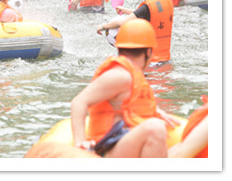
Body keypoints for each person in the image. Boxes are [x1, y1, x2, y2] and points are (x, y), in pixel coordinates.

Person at [70, 18, 179, 157]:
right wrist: (80, 143)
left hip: (123, 142)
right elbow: (78, 102)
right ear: (148, 52)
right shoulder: (120, 75)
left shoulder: (131, 74)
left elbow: (128, 104)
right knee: (155, 128)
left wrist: (154, 111)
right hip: (106, 148)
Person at [98, 0, 174, 63]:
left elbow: (122, 23)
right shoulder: (167, 1)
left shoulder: (147, 7)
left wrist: (102, 26)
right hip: (165, 59)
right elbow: (151, 15)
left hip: (150, 62)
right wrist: (128, 11)